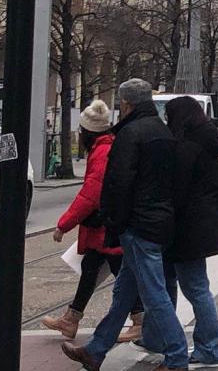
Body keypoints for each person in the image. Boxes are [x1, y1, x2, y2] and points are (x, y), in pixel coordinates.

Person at [61, 78, 189, 371]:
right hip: (159, 222)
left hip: (137, 226)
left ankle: (178, 357)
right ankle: (95, 350)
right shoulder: (164, 132)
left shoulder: (130, 135)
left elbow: (117, 184)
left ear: (126, 104)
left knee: (154, 294)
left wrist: (114, 222)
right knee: (124, 295)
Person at [42, 100, 143, 342]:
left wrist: (63, 224)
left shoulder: (102, 151)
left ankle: (139, 319)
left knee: (121, 272)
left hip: (106, 225)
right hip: (103, 225)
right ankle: (71, 319)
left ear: (89, 132)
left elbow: (91, 193)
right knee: (91, 268)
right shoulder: (105, 146)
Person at [160, 96, 218, 368]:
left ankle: (211, 349)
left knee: (196, 288)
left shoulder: (188, 147)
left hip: (188, 229)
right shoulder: (207, 139)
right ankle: (207, 346)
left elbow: (177, 189)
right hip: (203, 226)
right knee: (197, 286)